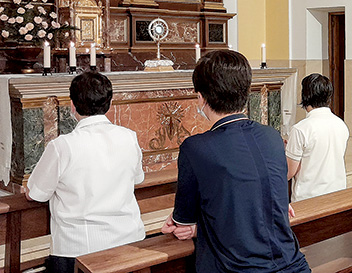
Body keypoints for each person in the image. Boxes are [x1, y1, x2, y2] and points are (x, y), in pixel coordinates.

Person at [161, 50, 310, 273]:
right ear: (246, 91)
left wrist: (185, 223)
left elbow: (183, 219)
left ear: (201, 97)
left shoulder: (195, 148)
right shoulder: (272, 137)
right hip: (293, 265)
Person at [25, 71, 145, 273]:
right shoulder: (129, 137)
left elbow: (36, 193)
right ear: (109, 103)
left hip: (79, 249)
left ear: (72, 105)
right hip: (128, 240)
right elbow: (137, 179)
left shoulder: (62, 146)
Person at [285, 73, 349, 202]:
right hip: (337, 194)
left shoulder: (301, 129)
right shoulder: (340, 124)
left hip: (308, 198)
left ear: (305, 95)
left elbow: (288, 172)